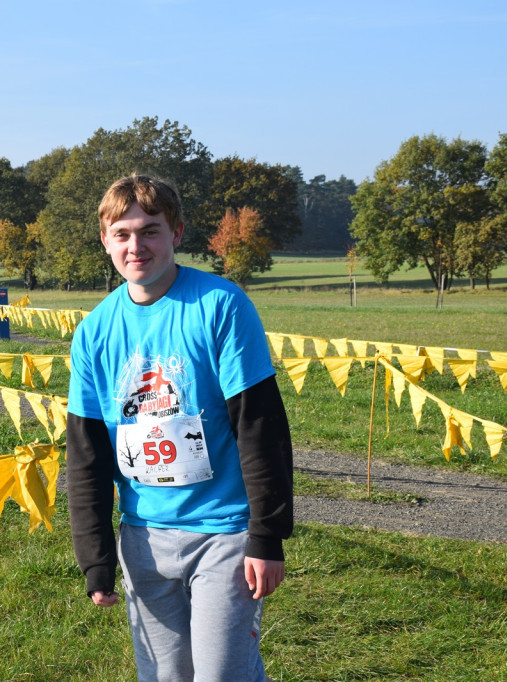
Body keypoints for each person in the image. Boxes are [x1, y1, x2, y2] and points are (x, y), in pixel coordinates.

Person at [66, 173, 294, 681]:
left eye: (150, 230)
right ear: (105, 240)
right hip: (142, 538)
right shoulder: (94, 332)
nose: (136, 245)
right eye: (122, 233)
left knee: (220, 675)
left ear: (177, 233)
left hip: (225, 534)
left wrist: (267, 535)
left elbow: (260, 428)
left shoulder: (221, 306)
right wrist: (95, 557)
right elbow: (86, 454)